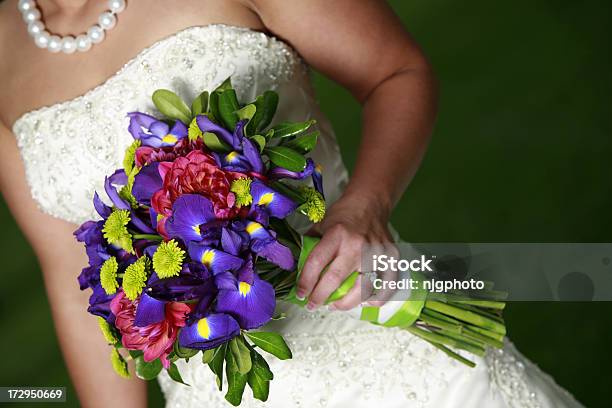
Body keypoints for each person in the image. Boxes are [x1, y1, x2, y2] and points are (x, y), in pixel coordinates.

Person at [0, 0, 582, 406]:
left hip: (376, 330)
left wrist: (365, 208)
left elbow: (397, 71)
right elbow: (70, 270)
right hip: (217, 392)